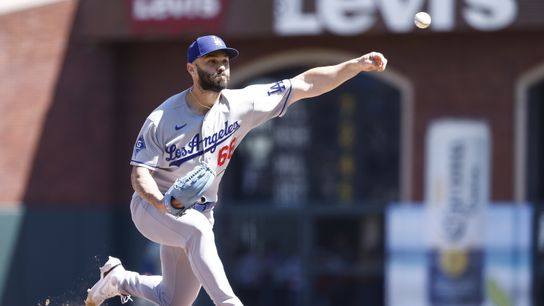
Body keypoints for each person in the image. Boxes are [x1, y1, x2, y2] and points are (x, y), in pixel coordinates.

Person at [84, 34, 387, 306]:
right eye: (211, 61)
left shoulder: (242, 103)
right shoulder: (162, 118)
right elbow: (139, 176)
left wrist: (355, 65)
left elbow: (305, 83)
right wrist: (162, 204)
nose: (221, 67)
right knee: (197, 230)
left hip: (199, 212)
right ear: (192, 68)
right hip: (153, 209)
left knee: (174, 299)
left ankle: (118, 279)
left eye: (224, 61)